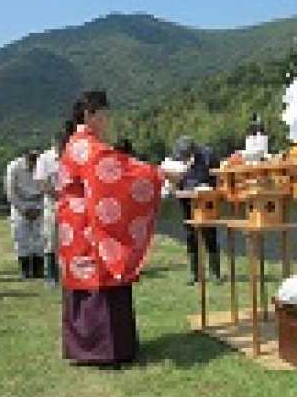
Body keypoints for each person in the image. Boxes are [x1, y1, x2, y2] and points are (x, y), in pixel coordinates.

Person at [57, 90, 164, 365]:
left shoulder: (80, 143)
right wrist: (155, 174)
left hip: (77, 222)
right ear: (89, 115)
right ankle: (101, 350)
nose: (106, 122)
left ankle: (93, 348)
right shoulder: (85, 146)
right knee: (98, 278)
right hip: (87, 225)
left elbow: (114, 166)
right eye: (103, 116)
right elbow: (116, 173)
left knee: (92, 281)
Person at [172, 135, 223, 285]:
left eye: (186, 154)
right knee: (190, 234)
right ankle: (195, 274)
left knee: (209, 233)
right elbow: (175, 177)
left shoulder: (208, 155)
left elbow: (216, 176)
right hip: (186, 198)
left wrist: (209, 189)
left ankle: (215, 273)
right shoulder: (178, 160)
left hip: (205, 199)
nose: (184, 158)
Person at [7, 150, 45, 279]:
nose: (33, 168)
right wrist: (23, 209)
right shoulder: (13, 167)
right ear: (25, 159)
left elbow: (46, 189)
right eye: (31, 164)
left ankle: (38, 269)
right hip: (20, 204)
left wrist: (39, 208)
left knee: (39, 238)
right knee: (21, 237)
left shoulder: (42, 165)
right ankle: (25, 270)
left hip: (38, 203)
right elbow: (11, 192)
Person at [34, 134, 62, 286]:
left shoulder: (71, 155)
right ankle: (51, 275)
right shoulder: (45, 159)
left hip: (71, 204)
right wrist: (58, 195)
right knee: (51, 239)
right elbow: (42, 182)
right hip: (52, 204)